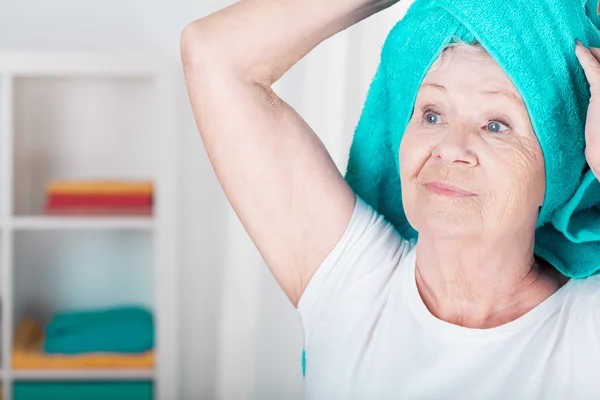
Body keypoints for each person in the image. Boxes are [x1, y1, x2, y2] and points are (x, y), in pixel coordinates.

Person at [180, 0, 600, 397]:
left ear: (560, 165)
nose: (451, 147)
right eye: (432, 114)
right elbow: (214, 56)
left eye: (496, 125)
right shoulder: (352, 284)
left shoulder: (586, 331)